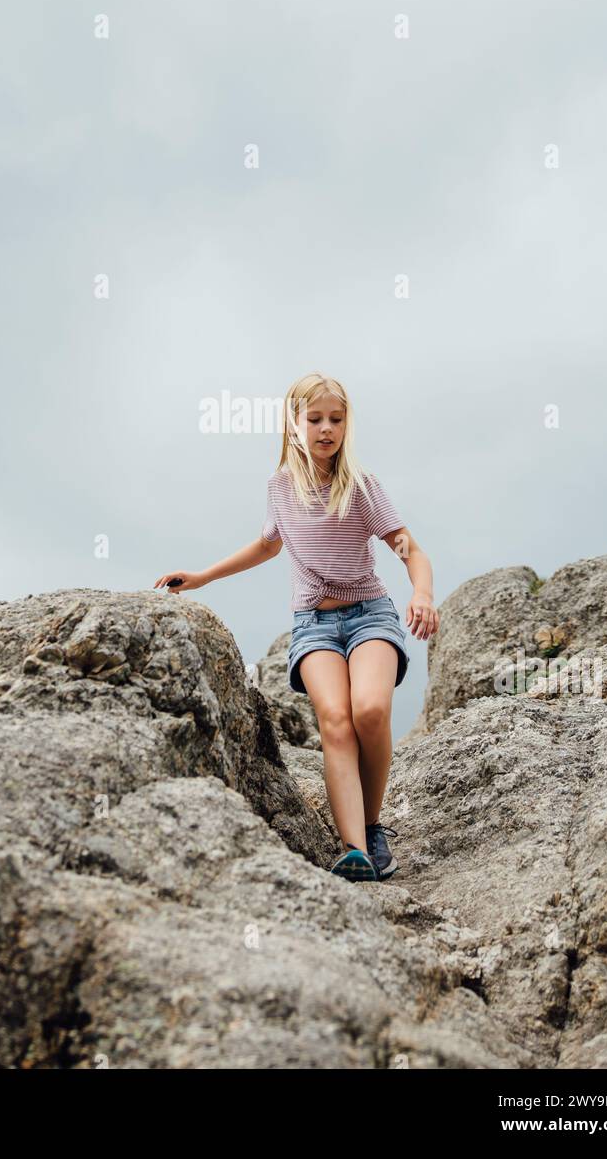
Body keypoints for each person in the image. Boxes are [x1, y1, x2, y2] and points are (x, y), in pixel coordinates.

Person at [154, 372, 439, 883]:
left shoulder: (363, 488)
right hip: (313, 624)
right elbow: (267, 545)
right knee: (334, 719)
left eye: (336, 419)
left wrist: (421, 593)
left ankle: (373, 829)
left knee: (369, 711)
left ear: (347, 425)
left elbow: (409, 550)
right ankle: (353, 850)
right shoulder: (280, 488)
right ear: (294, 424)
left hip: (370, 613)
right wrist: (202, 576)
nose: (326, 429)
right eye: (315, 419)